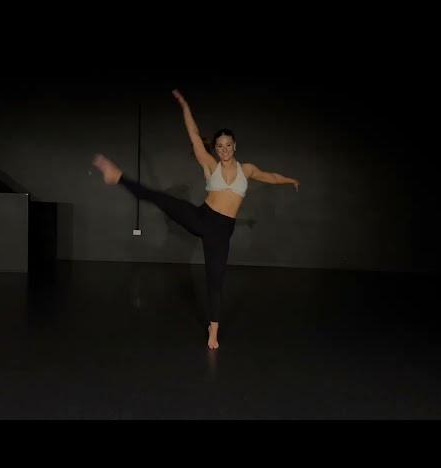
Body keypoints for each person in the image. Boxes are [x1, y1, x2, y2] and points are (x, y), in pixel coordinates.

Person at [93, 89, 300, 349]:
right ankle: (117, 177)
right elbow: (193, 134)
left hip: (221, 231)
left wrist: (290, 180)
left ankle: (213, 330)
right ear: (216, 148)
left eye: (228, 145)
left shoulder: (247, 170)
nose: (224, 149)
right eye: (219, 146)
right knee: (161, 199)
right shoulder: (211, 164)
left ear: (234, 146)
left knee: (215, 279)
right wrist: (184, 106)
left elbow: (270, 176)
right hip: (202, 217)